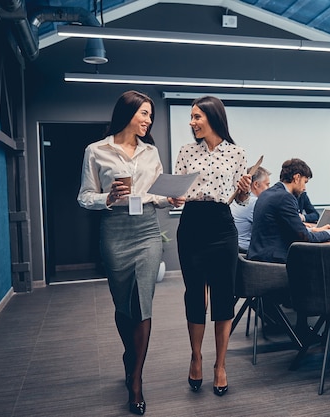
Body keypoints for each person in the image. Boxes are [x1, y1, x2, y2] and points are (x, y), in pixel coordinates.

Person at [77, 90, 184, 416]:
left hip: (148, 231)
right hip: (115, 230)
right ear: (128, 113)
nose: (149, 120)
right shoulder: (96, 151)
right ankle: (130, 354)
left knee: (143, 302)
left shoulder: (151, 152)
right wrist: (106, 199)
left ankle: (135, 379)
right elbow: (84, 196)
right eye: (144, 114)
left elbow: (156, 194)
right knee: (123, 303)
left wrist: (173, 199)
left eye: (151, 115)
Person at [174, 96, 252, 397]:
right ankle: (196, 357)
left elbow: (240, 199)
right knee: (195, 294)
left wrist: (244, 192)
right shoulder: (185, 151)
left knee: (223, 295)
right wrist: (173, 198)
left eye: (197, 117)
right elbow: (177, 191)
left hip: (222, 224)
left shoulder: (236, 153)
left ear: (212, 117)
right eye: (191, 118)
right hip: (192, 222)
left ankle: (220, 365)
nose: (192, 123)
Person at [247, 158, 330, 336]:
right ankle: (325, 332)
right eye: (305, 182)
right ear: (297, 177)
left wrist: (318, 229)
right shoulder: (285, 198)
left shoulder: (270, 193)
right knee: (325, 272)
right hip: (272, 264)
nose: (305, 188)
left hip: (258, 260)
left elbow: (291, 229)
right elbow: (305, 238)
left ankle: (303, 326)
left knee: (310, 264)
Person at [230, 166, 271, 252]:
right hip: (246, 252)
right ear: (256, 184)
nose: (269, 189)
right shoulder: (254, 203)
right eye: (267, 184)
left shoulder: (236, 200)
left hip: (235, 249)